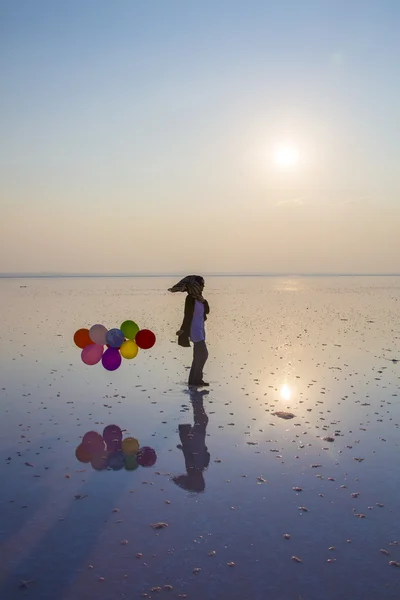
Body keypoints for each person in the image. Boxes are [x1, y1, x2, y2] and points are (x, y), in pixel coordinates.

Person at [168, 275, 210, 387]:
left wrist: (204, 301)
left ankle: (193, 381)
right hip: (194, 330)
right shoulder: (190, 299)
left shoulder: (199, 297)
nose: (203, 286)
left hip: (201, 329)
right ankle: (196, 380)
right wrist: (182, 330)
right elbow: (187, 316)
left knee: (198, 356)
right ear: (195, 285)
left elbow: (207, 311)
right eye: (201, 284)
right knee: (203, 354)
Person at [172, 389, 210, 492]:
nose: (202, 479)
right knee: (201, 419)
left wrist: (184, 446)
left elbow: (189, 456)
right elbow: (206, 453)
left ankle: (195, 397)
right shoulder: (200, 468)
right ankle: (197, 398)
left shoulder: (194, 469)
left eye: (201, 481)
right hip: (197, 439)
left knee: (201, 419)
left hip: (194, 439)